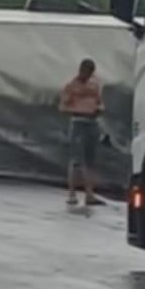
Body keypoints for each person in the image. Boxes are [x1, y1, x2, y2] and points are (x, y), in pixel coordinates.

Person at [59, 58, 107, 212]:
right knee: (76, 159)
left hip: (92, 123)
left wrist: (99, 108)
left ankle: (89, 194)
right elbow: (63, 106)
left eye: (90, 73)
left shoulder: (94, 86)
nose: (87, 75)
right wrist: (79, 109)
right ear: (81, 70)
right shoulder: (71, 86)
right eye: (86, 71)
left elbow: (100, 102)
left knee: (90, 159)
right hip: (78, 122)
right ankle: (72, 193)